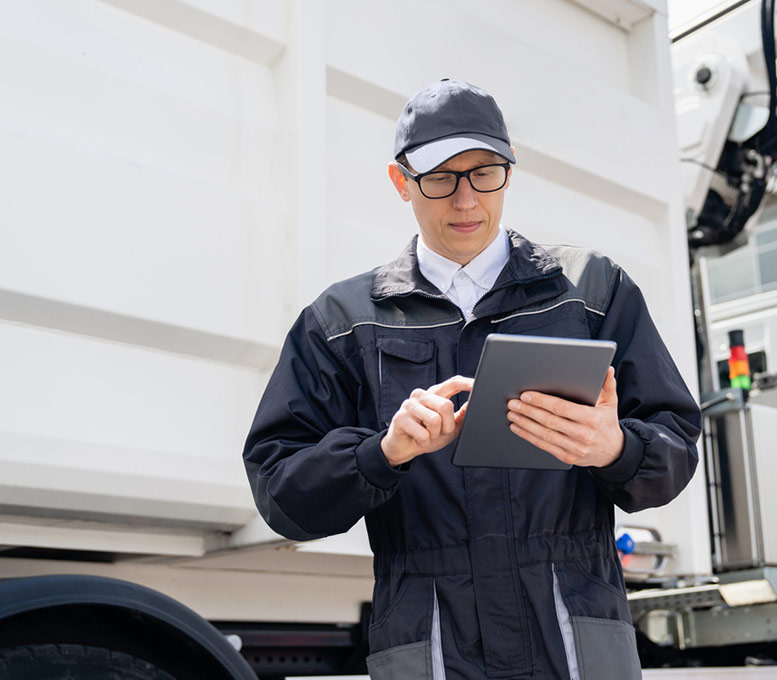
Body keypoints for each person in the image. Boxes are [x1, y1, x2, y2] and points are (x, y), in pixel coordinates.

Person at [242, 78, 701, 680]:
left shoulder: (590, 292)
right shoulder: (343, 322)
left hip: (569, 635)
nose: (465, 200)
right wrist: (381, 453)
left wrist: (614, 448)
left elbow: (676, 444)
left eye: (484, 173)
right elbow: (281, 494)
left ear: (509, 172)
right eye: (439, 178)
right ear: (400, 180)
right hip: (432, 639)